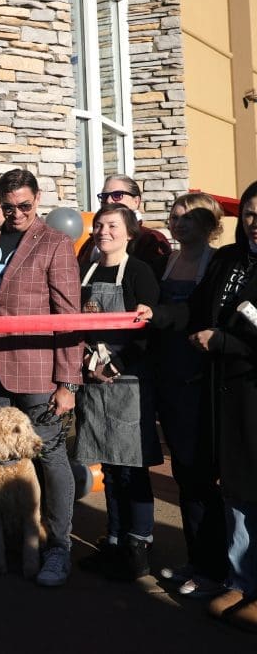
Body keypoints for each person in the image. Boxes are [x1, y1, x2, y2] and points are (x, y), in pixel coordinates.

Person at [138, 179, 257, 632]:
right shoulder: (227, 261)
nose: (255, 222)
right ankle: (235, 577)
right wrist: (157, 315)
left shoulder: (215, 256)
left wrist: (222, 341)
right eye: (248, 213)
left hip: (233, 386)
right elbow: (197, 312)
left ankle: (235, 577)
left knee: (238, 486)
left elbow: (227, 329)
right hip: (209, 388)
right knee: (224, 488)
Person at [0, 168, 82, 588]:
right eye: (8, 205)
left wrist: (68, 381)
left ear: (37, 201)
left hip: (39, 369)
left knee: (51, 458)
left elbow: (69, 316)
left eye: (25, 205)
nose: (16, 213)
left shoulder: (55, 244)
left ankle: (58, 547)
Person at [72, 203, 161, 581]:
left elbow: (148, 328)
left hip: (127, 383)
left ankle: (138, 546)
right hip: (93, 382)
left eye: (112, 226)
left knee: (131, 467)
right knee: (108, 465)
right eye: (100, 225)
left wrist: (117, 365)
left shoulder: (139, 272)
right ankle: (113, 540)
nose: (103, 231)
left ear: (129, 232)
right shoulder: (86, 270)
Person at [151, 192, 227, 596]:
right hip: (170, 381)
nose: (179, 223)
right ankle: (196, 560)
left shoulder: (217, 264)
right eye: (175, 216)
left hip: (202, 385)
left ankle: (215, 569)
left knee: (203, 479)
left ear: (209, 224)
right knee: (184, 475)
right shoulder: (167, 262)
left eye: (189, 218)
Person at [77, 173, 171, 275]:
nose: (109, 201)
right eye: (104, 196)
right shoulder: (92, 241)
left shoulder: (150, 239)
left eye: (117, 195)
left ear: (136, 201)